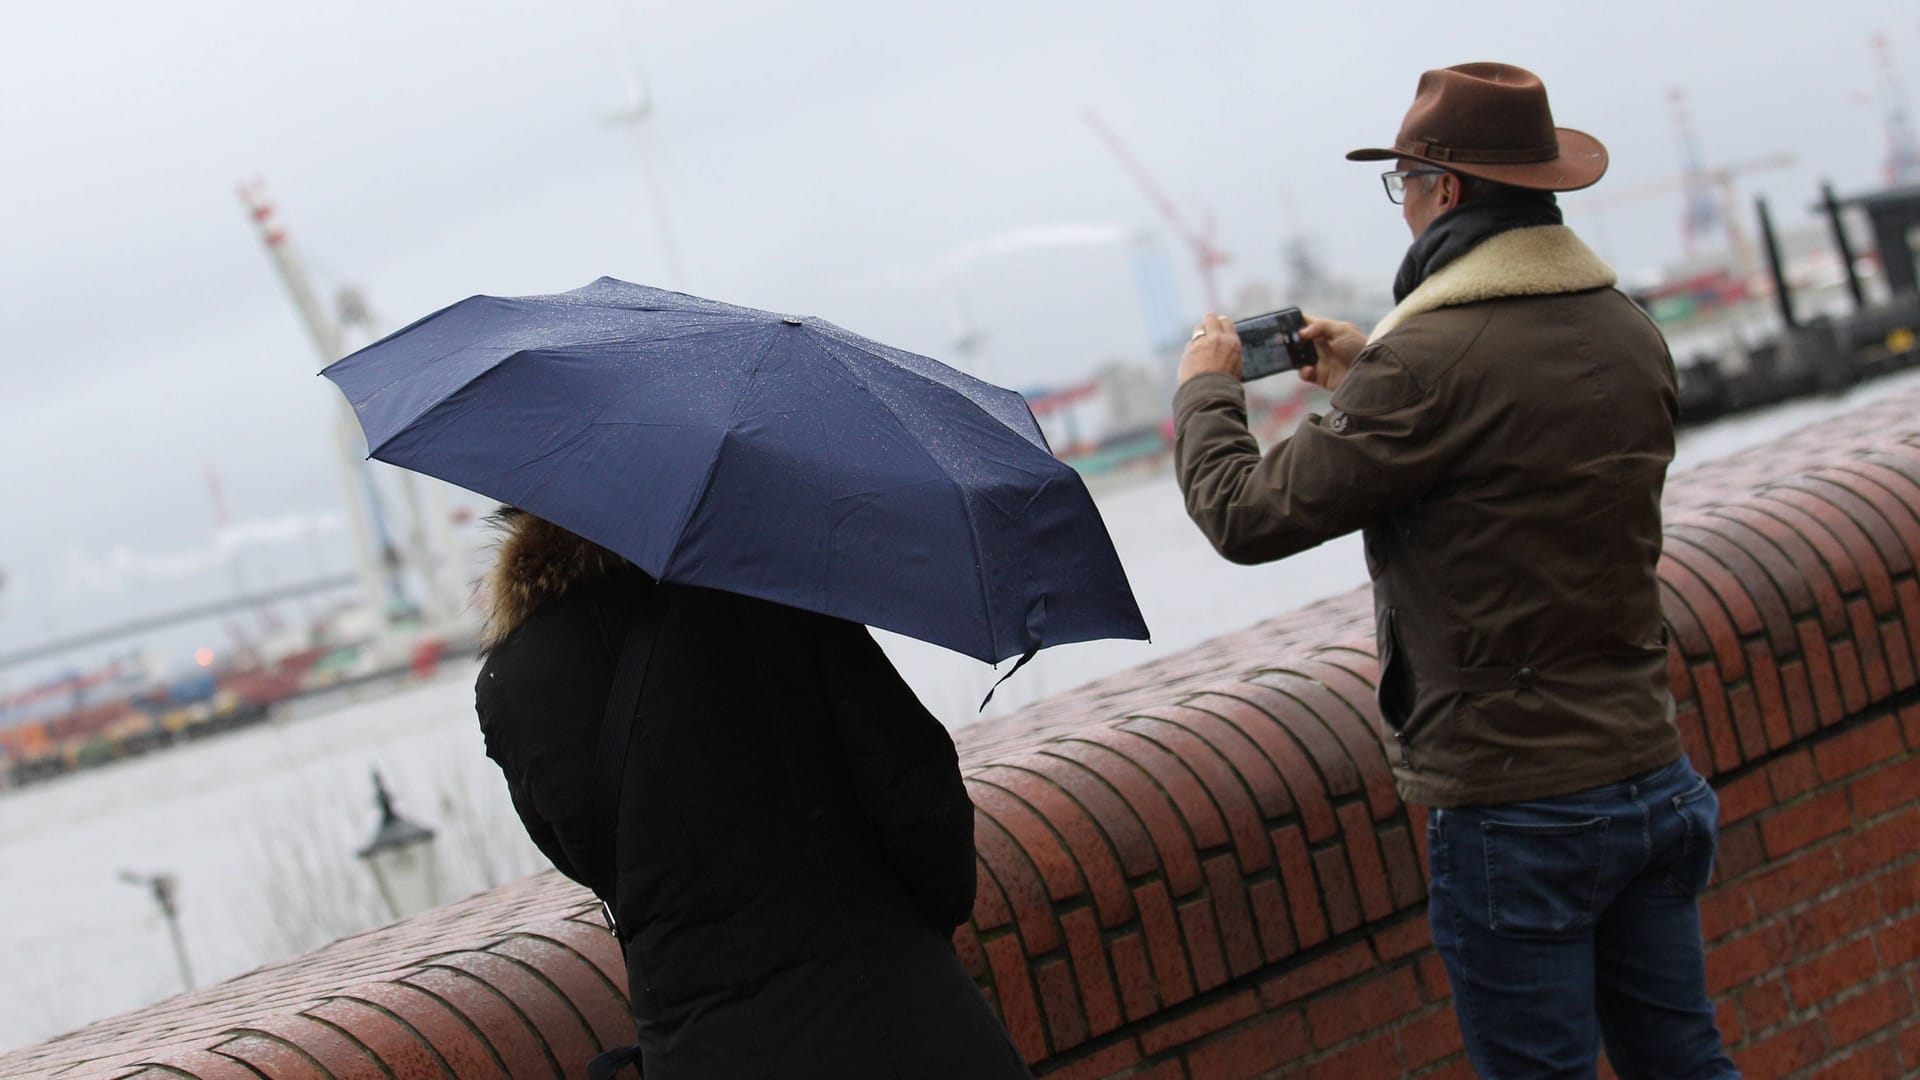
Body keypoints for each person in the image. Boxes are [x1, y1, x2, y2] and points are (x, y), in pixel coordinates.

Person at [1173, 63, 1738, 1077]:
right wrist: (1363, 376)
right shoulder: (1628, 330)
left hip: (1518, 807)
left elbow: (1245, 515)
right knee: (1686, 1063)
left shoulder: (1427, 362)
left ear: (1451, 191)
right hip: (1652, 773)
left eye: (1407, 182)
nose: (1408, 204)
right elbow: (1519, 468)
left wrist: (1209, 396)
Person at [474, 507, 1032, 1080]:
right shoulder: (767, 590)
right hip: (901, 1021)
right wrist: (910, 937)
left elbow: (584, 856)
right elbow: (916, 791)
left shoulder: (509, 689)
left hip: (700, 1048)